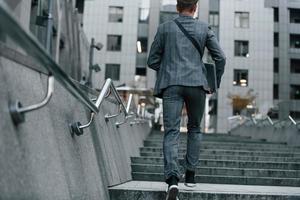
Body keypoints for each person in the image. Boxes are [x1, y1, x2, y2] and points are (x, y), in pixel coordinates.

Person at [147, 0, 226, 199]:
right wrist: (214, 81)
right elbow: (221, 57)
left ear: (177, 7)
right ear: (195, 8)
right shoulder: (204, 27)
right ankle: (190, 176)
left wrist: (169, 69)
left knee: (171, 131)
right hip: (197, 84)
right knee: (194, 128)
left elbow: (152, 60)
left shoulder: (164, 28)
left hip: (171, 84)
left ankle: (172, 180)